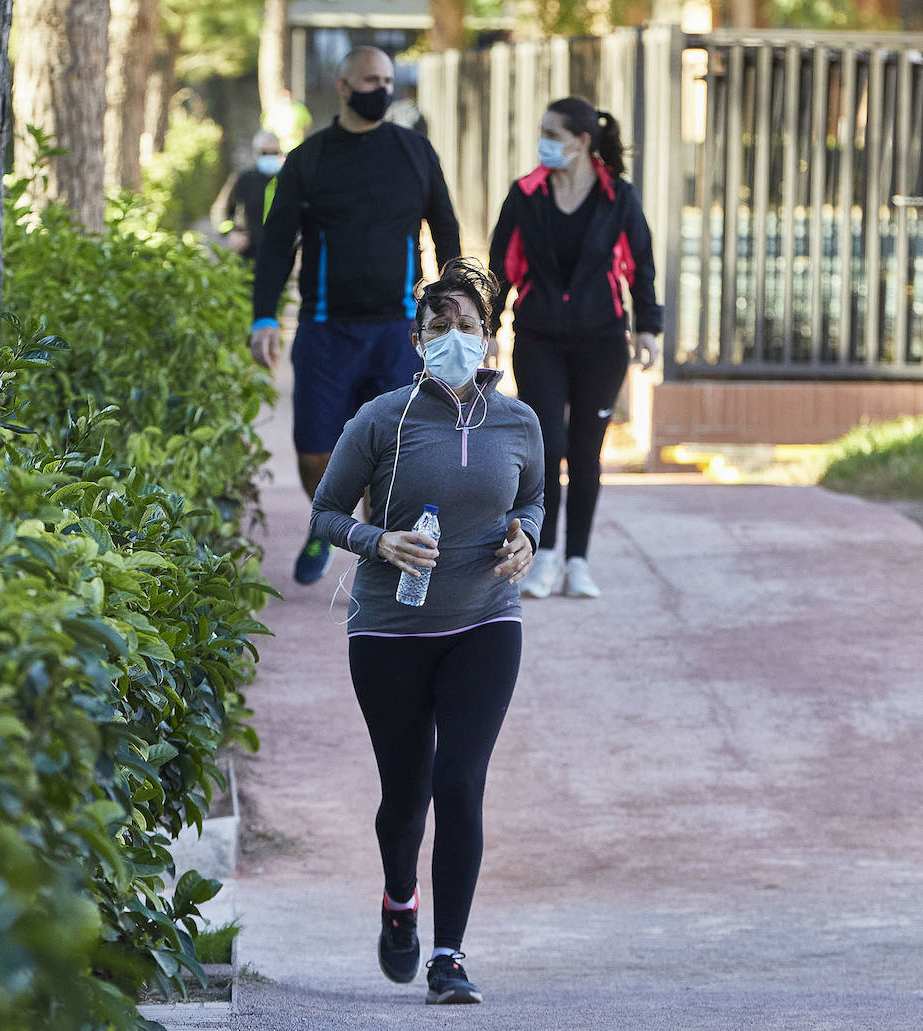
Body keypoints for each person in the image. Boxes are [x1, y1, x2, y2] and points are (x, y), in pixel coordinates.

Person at [308, 257, 544, 1005]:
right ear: (416, 339)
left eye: (466, 327)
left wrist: (529, 538)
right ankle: (399, 897)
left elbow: (536, 497)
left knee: (460, 782)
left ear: (488, 340)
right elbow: (324, 512)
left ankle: (449, 956)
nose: (452, 338)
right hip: (390, 629)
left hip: (485, 619)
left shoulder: (520, 421)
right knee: (407, 796)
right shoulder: (381, 419)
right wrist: (379, 541)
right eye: (438, 327)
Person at [250, 45, 462, 584]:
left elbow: (446, 231)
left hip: (396, 331)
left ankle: (376, 548)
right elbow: (276, 243)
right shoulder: (310, 158)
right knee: (314, 453)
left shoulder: (415, 152)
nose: (382, 90)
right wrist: (264, 318)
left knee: (394, 455)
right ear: (343, 87)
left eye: (388, 79)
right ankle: (328, 523)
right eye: (371, 80)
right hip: (324, 330)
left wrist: (457, 311)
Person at [487, 96, 661, 600]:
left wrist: (648, 327)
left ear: (582, 142)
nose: (544, 143)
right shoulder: (525, 194)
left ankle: (578, 561)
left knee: (587, 451)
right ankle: (542, 555)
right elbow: (500, 267)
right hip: (539, 336)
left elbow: (642, 265)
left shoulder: (617, 197)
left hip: (603, 340)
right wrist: (489, 329)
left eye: (553, 134)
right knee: (548, 448)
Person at [212, 130, 283, 262]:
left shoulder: (288, 181)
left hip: (280, 254)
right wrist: (231, 233)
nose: (270, 157)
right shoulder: (242, 180)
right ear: (255, 153)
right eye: (265, 153)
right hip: (247, 254)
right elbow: (220, 211)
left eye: (274, 153)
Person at [261, 87, 312, 154]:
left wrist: (302, 132)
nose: (286, 98)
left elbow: (308, 123)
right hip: (278, 147)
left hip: (297, 144)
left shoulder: (300, 108)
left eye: (287, 95)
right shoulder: (273, 110)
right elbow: (267, 129)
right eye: (283, 95)